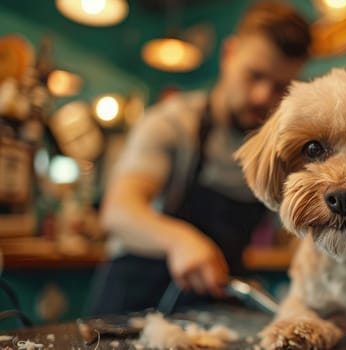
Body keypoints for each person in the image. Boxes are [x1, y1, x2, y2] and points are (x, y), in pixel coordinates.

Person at [88, 1, 312, 315]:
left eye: (280, 87)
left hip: (212, 308)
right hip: (131, 305)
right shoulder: (173, 124)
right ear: (229, 54)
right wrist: (179, 240)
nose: (263, 96)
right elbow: (118, 211)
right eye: (254, 75)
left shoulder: (277, 150)